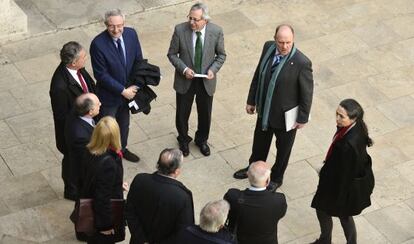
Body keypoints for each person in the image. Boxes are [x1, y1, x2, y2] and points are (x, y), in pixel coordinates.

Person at [233, 24, 314, 192]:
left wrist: (302, 118)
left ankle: (276, 178)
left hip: (286, 117)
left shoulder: (302, 62)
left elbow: (307, 93)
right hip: (265, 109)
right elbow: (258, 74)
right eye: (281, 42)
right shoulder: (268, 47)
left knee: (283, 149)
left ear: (293, 40)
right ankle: (253, 169)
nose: (284, 46)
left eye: (288, 42)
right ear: (275, 39)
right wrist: (251, 100)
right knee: (259, 144)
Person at [310, 99, 375, 244]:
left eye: (341, 116)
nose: (337, 119)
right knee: (343, 215)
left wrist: (325, 173)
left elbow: (345, 173)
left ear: (353, 118)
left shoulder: (348, 145)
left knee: (325, 210)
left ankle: (325, 241)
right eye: (337, 114)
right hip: (341, 182)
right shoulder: (356, 127)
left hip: (340, 187)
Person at [167, 2, 226, 157]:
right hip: (185, 79)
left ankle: (201, 140)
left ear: (205, 20)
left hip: (206, 80)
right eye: (190, 18)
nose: (191, 22)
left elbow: (221, 55)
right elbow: (172, 54)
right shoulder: (180, 30)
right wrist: (184, 69)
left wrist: (213, 70)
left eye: (196, 20)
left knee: (205, 113)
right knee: (182, 113)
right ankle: (183, 140)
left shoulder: (216, 31)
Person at [90, 8, 143, 163]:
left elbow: (139, 61)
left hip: (129, 92)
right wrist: (122, 91)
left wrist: (135, 86)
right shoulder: (98, 44)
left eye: (120, 25)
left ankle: (122, 149)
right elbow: (101, 74)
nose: (116, 30)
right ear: (106, 25)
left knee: (124, 124)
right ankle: (106, 156)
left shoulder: (131, 34)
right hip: (109, 96)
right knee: (107, 129)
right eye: (112, 26)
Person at [50, 41, 96, 201]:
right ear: (73, 62)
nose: (86, 59)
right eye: (84, 57)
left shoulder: (79, 69)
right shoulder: (59, 86)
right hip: (71, 134)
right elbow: (62, 116)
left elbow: (89, 87)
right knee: (71, 161)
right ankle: (71, 190)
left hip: (86, 121)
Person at [126, 148, 194, 244]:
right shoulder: (182, 197)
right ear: (177, 171)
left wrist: (142, 239)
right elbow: (183, 232)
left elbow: (130, 211)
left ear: (158, 165)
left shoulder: (140, 180)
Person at [81, 116, 127, 243]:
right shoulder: (109, 163)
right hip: (102, 217)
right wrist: (106, 226)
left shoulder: (90, 149)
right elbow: (102, 198)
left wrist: (117, 183)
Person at [224, 161, 287, 244]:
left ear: (248, 177)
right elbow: (280, 214)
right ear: (268, 181)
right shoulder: (278, 200)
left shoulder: (233, 196)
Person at [64, 93, 101, 201]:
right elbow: (89, 160)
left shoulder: (75, 113)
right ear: (90, 112)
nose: (100, 104)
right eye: (98, 104)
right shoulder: (80, 136)